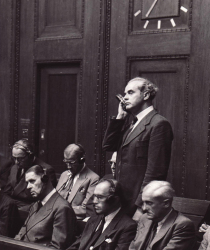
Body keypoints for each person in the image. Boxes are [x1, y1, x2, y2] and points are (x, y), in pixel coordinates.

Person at [103, 77, 173, 220]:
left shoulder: (158, 124)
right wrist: (120, 116)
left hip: (136, 205)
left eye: (130, 93)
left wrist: (141, 206)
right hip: (121, 202)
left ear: (146, 95)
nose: (124, 98)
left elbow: (155, 172)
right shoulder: (131, 124)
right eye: (125, 93)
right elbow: (108, 145)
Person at [126, 181, 196, 250]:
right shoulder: (144, 218)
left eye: (149, 203)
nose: (144, 208)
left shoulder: (182, 225)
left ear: (166, 203)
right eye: (143, 203)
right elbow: (133, 248)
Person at [67, 179, 137, 250]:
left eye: (100, 197)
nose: (94, 201)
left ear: (115, 199)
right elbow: (76, 246)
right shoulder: (94, 219)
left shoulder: (128, 226)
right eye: (94, 196)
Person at [15, 165, 76, 250]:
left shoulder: (62, 208)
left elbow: (56, 248)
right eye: (27, 183)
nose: (28, 187)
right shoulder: (36, 204)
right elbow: (23, 231)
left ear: (45, 179)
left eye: (32, 181)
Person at [1, 139, 57, 210]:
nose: (16, 162)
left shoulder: (46, 170)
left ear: (30, 156)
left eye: (20, 159)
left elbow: (45, 201)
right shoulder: (15, 167)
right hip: (11, 208)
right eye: (14, 158)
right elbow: (7, 192)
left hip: (31, 211)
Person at [56, 144, 99, 220]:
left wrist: (62, 211)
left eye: (72, 163)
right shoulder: (64, 175)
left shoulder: (93, 179)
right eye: (66, 162)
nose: (68, 166)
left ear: (81, 160)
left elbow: (86, 209)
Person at [85, 151, 117, 218]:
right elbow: (90, 204)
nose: (112, 167)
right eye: (111, 163)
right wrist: (92, 219)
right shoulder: (106, 178)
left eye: (115, 164)